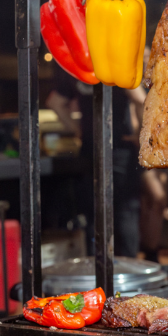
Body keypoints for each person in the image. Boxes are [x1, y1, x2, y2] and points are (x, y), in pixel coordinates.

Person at [46, 65, 143, 258]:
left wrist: (78, 129)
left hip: (91, 147)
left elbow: (54, 102)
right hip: (119, 147)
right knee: (125, 211)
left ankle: (97, 271)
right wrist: (142, 133)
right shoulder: (115, 63)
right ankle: (127, 272)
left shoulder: (78, 66)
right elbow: (141, 99)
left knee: (95, 213)